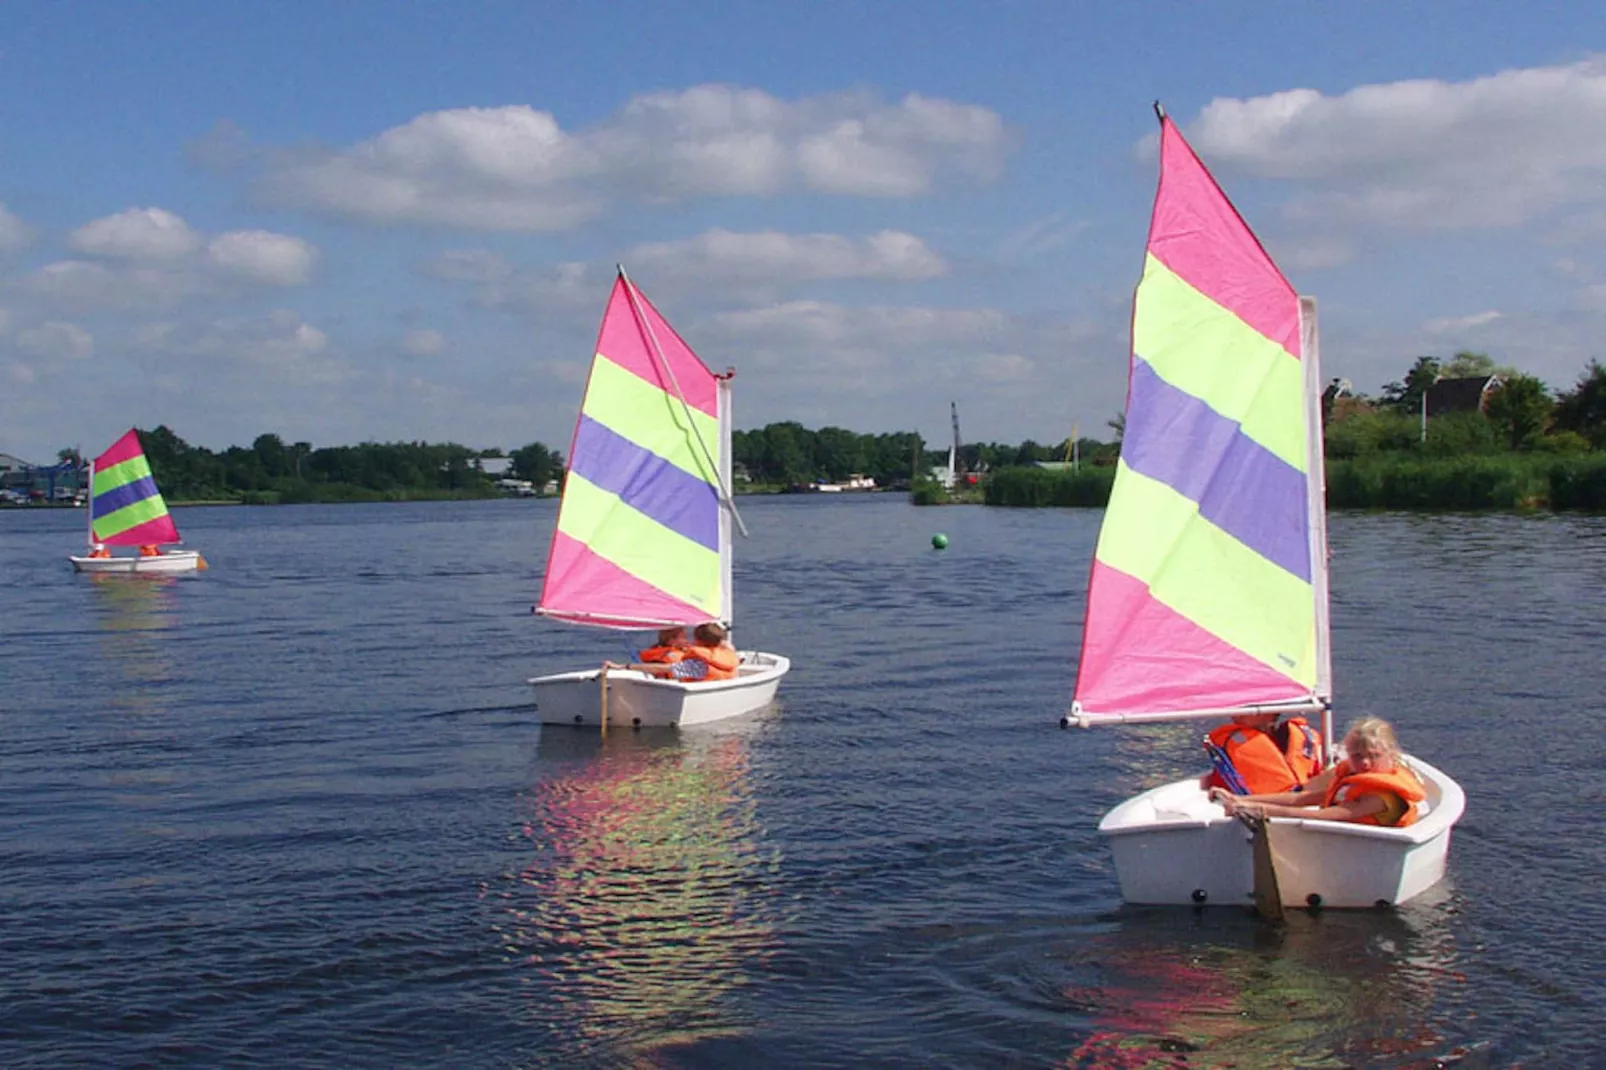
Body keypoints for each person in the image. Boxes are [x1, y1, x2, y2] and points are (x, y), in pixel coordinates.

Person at [1208, 716, 1426, 827]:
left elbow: (1321, 816)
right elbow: (1303, 798)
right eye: (1357, 756)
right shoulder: (1356, 780)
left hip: (1366, 846)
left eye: (1374, 756)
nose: (1366, 763)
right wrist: (1240, 799)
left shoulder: (1380, 797)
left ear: (1391, 754)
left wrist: (1254, 810)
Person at [1203, 711, 1324, 796]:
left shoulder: (1304, 742)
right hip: (1256, 809)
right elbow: (1215, 785)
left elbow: (1318, 777)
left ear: (1272, 713)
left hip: (1303, 805)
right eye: (1235, 708)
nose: (1237, 714)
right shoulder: (1233, 749)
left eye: (1248, 709)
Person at [604, 621, 741, 682]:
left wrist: (623, 666)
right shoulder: (729, 654)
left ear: (698, 640)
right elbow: (726, 645)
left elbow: (660, 668)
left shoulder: (697, 667)